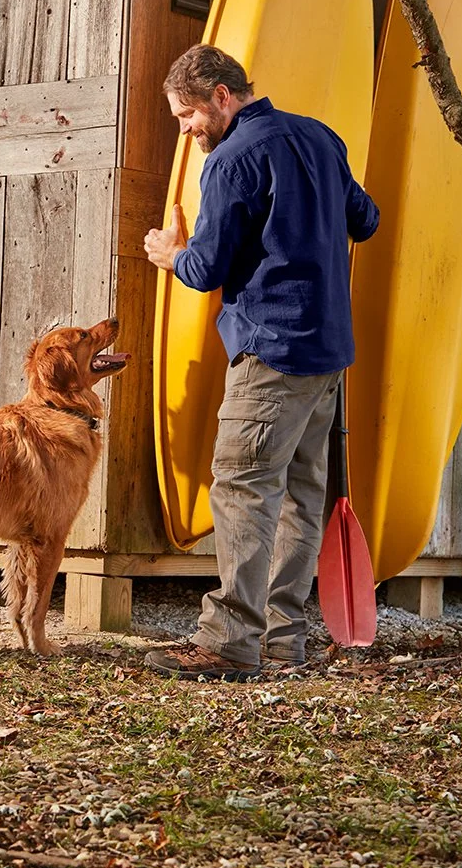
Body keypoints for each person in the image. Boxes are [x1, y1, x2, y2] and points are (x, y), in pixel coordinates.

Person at [143, 44, 379, 681]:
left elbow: (207, 268)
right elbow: (367, 219)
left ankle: (228, 641)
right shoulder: (321, 138)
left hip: (270, 350)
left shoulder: (231, 159)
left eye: (188, 115)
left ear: (223, 96)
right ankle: (283, 641)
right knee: (301, 497)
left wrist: (171, 252)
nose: (187, 129)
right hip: (327, 352)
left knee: (245, 489)